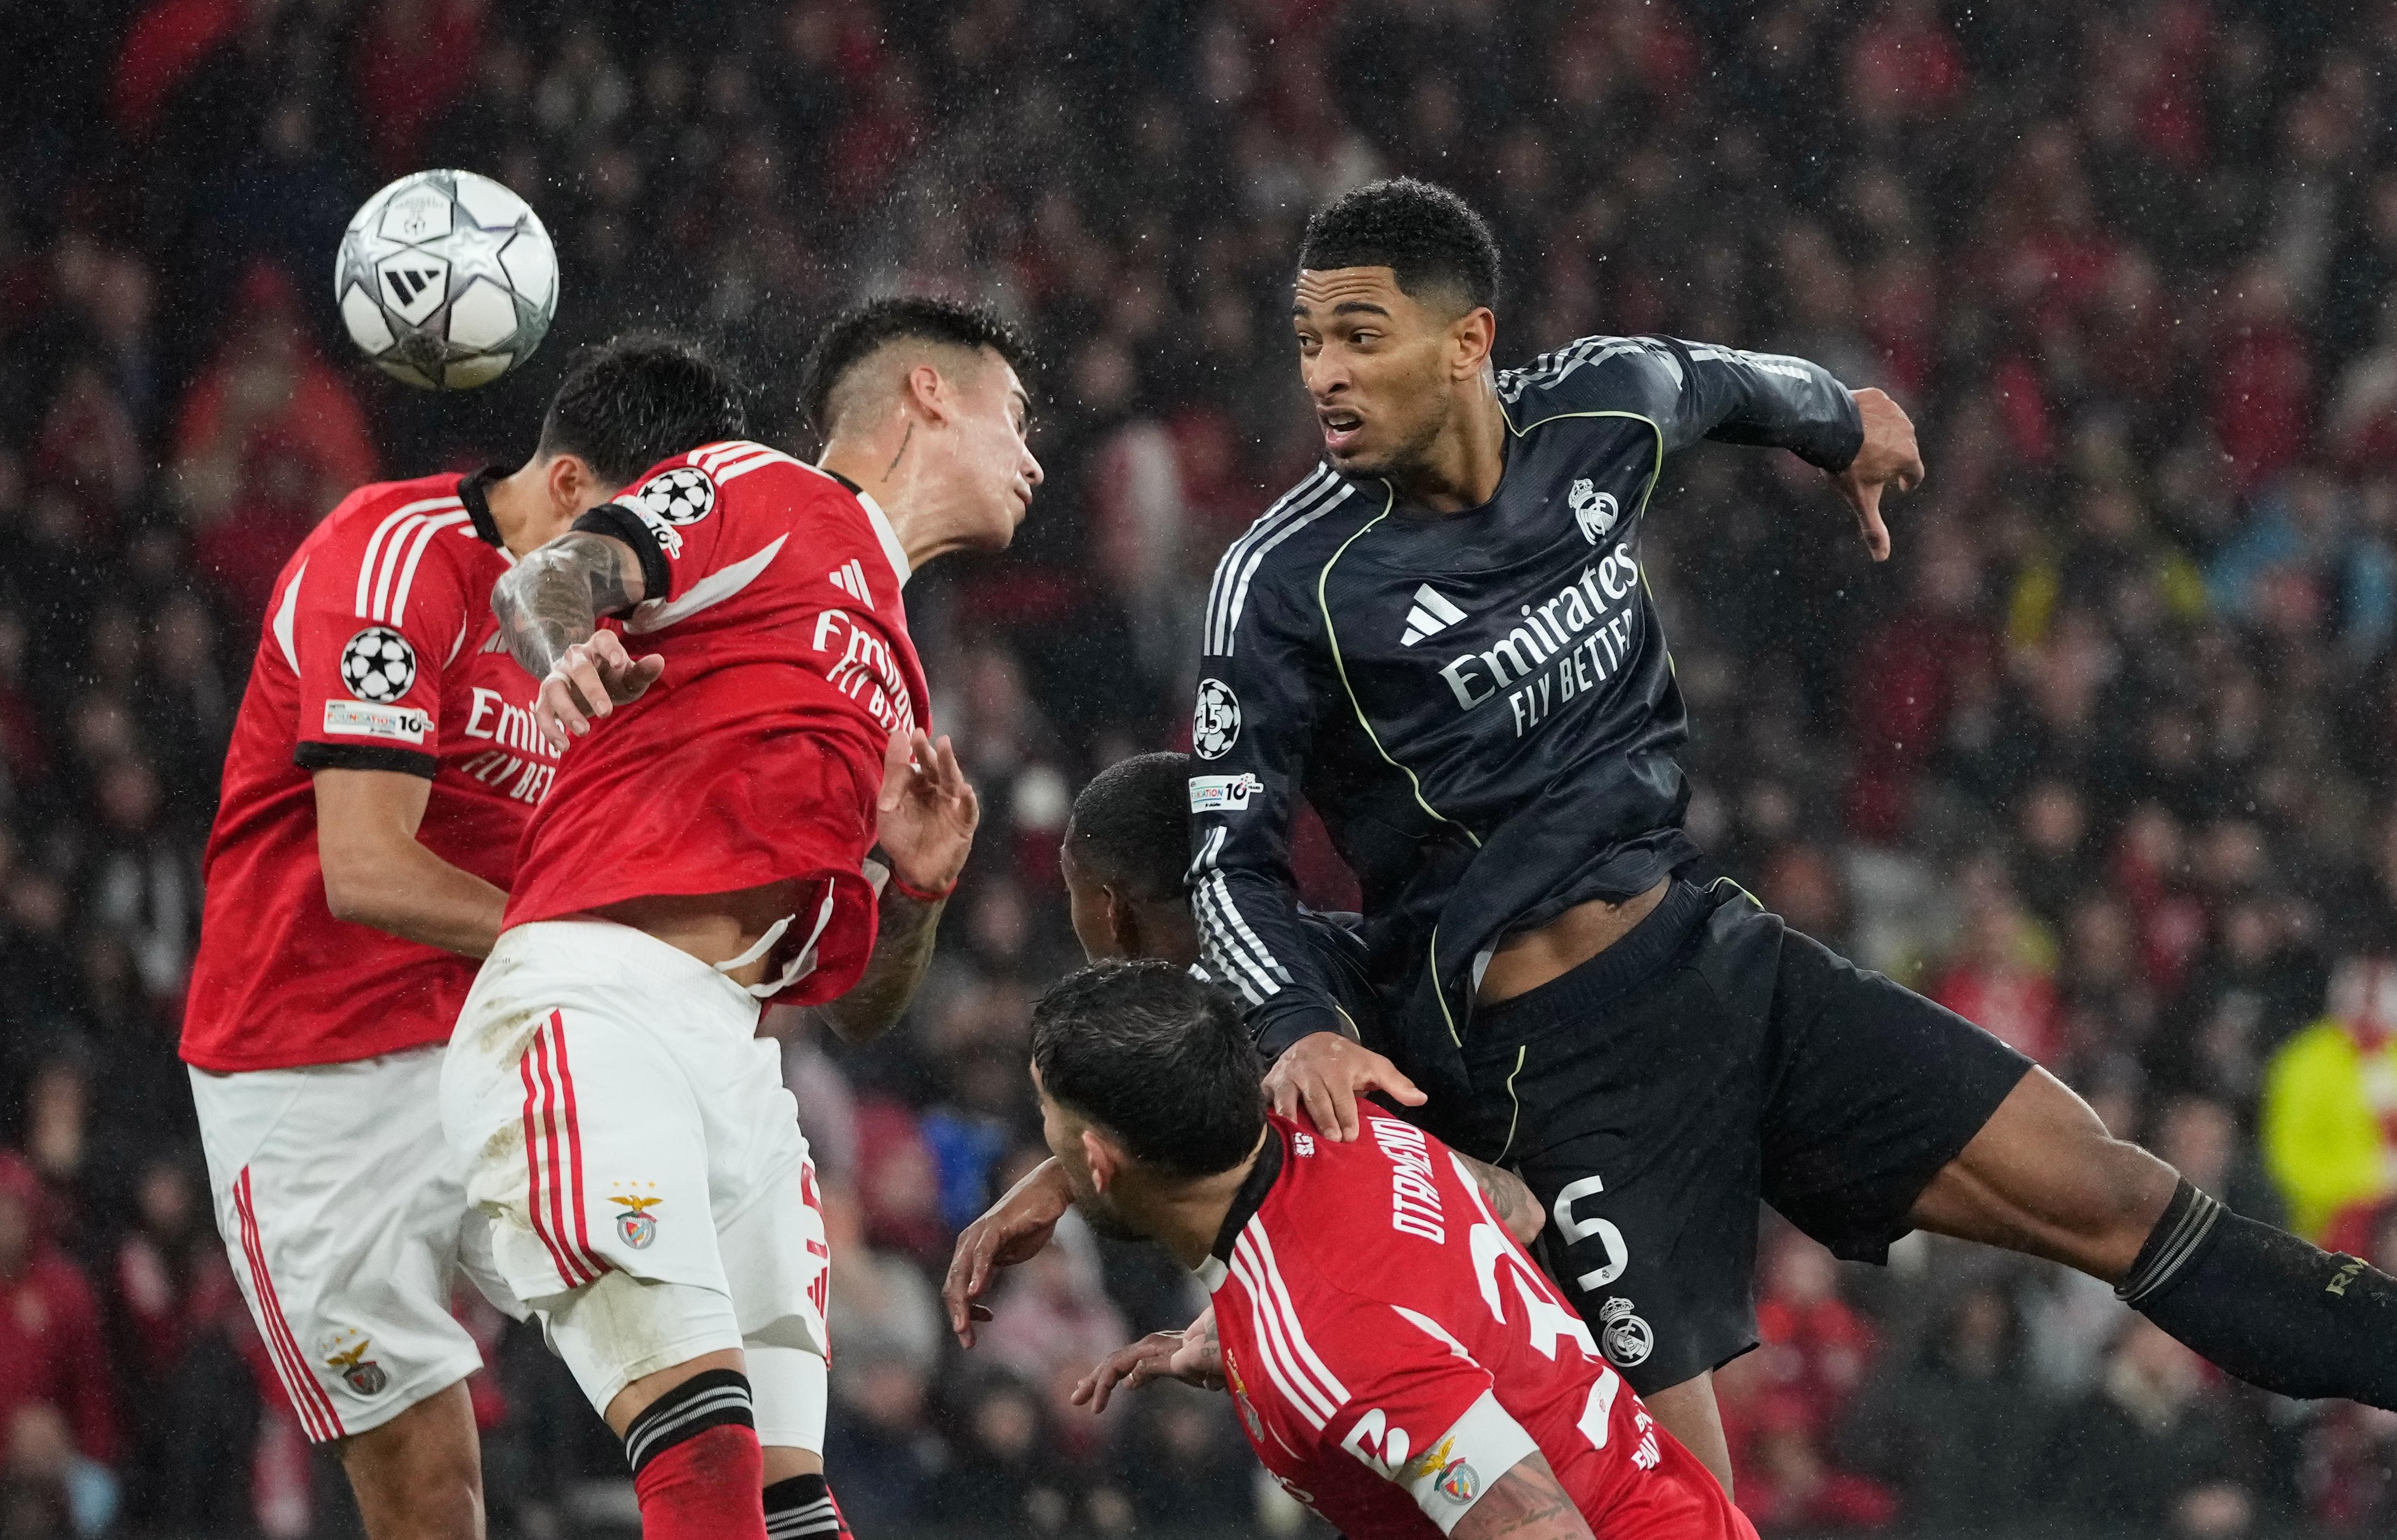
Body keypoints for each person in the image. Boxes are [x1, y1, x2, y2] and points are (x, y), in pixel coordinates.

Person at [1181, 177, 2397, 1533]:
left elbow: (1730, 382)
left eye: (1360, 335)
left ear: (1467, 341)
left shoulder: (1594, 406)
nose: (1324, 373)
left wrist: (1846, 423)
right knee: (1674, 1516)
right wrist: (1296, 1021)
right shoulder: (1288, 581)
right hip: (1552, 1071)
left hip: (1718, 960)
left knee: (2112, 1191)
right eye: (1309, 340)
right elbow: (1224, 853)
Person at [438, 297, 1041, 1540]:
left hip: (742, 1068)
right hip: (598, 1010)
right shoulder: (765, 489)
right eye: (1018, 417)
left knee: (794, 1507)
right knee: (703, 1462)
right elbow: (553, 578)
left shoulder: (898, 673)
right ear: (929, 392)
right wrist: (566, 653)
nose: (1033, 458)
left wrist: (917, 889)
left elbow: (861, 1009)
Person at [182, 338, 745, 1540]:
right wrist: (594, 955)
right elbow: (368, 868)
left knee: (706, 1353)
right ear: (568, 484)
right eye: (627, 533)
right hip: (310, 1068)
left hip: (501, 1038)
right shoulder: (389, 560)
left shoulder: (625, 630)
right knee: (430, 1496)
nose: (640, 573)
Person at [1033, 960, 1755, 1539]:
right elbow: (1515, 1208)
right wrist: (1253, 1340)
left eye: (1045, 1111)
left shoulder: (1332, 1339)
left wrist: (1313, 1345)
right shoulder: (1339, 1121)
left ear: (1098, 1159)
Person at [944, 753, 1543, 1353]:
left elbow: (1465, 1205)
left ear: (1110, 908)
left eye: (1071, 891)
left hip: (1491, 1325)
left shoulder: (1254, 1026)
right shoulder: (1298, 949)